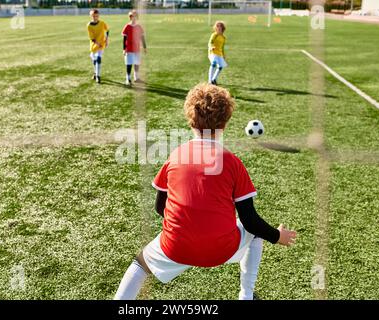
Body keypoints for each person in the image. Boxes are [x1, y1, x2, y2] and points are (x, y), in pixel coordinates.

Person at [114, 83, 297, 300]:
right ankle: (246, 295)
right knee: (256, 232)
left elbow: (159, 207)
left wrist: (188, 225)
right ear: (225, 123)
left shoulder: (176, 155)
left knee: (140, 264)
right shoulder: (232, 162)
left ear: (190, 119)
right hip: (221, 249)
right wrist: (278, 237)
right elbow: (249, 220)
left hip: (176, 247)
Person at [122, 10, 147, 86]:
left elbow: (142, 37)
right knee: (129, 64)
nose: (134, 18)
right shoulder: (127, 26)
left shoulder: (139, 26)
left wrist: (144, 47)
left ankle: (136, 78)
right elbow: (124, 39)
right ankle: (128, 78)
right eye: (132, 16)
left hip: (136, 49)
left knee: (137, 63)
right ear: (130, 17)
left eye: (135, 16)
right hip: (129, 49)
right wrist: (124, 49)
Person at [87, 9, 109, 83]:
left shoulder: (102, 23)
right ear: (91, 16)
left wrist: (107, 39)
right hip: (94, 45)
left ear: (98, 16)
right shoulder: (89, 25)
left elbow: (107, 30)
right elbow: (92, 38)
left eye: (96, 16)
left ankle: (98, 76)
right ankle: (95, 72)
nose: (95, 17)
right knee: (94, 60)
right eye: (93, 16)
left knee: (98, 58)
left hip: (101, 44)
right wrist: (97, 43)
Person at [208, 21, 227, 85]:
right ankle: (210, 81)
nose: (218, 27)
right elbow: (210, 42)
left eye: (220, 26)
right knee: (213, 64)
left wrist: (224, 55)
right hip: (212, 52)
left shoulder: (223, 38)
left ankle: (214, 79)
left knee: (220, 67)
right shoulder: (214, 35)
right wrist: (211, 46)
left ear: (222, 28)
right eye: (217, 26)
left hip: (220, 54)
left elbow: (222, 47)